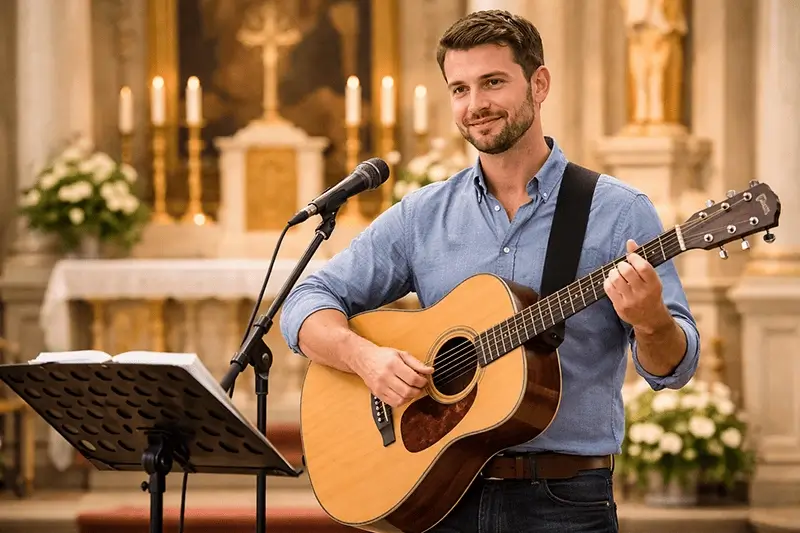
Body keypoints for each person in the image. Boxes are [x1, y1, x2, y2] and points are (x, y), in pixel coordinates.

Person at [279, 9, 700, 533]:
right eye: (459, 89)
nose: (475, 104)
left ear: (539, 84)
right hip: (438, 496)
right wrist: (365, 358)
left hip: (564, 503)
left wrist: (652, 320)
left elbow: (673, 368)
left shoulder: (617, 212)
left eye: (493, 82)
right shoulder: (422, 214)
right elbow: (304, 301)